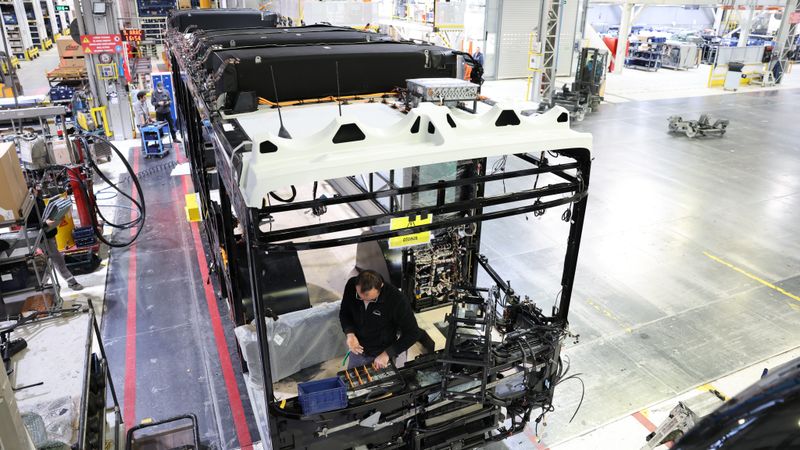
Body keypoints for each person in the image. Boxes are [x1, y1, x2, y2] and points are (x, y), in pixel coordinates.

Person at [339, 270, 421, 369]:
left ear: (381, 286)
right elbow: (344, 312)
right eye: (359, 297)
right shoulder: (352, 285)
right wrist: (350, 333)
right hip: (358, 349)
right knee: (352, 382)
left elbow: (413, 333)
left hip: (382, 352)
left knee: (383, 383)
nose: (364, 301)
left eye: (371, 299)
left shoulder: (397, 300)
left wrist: (387, 354)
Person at [27, 188, 83, 291]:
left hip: (50, 233)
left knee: (54, 258)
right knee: (58, 259)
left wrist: (57, 218)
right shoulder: (27, 206)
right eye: (34, 189)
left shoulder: (38, 200)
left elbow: (47, 215)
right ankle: (72, 282)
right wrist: (44, 224)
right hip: (43, 237)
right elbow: (28, 225)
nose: (38, 190)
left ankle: (53, 281)